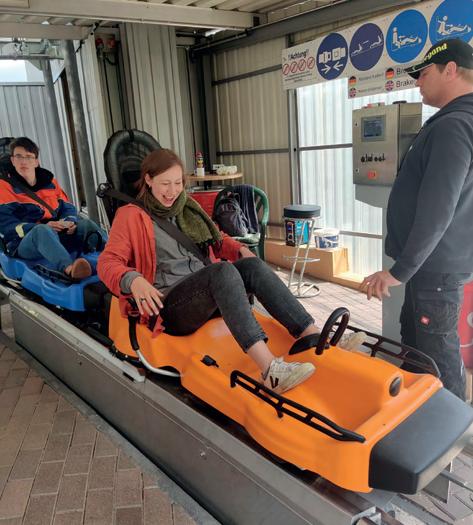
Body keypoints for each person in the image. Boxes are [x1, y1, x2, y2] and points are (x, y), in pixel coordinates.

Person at [98, 148, 320, 395]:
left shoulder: (187, 207)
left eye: (178, 183)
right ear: (148, 180)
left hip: (205, 292)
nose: (172, 191)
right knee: (222, 272)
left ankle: (310, 335)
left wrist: (240, 250)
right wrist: (133, 280)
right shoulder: (130, 216)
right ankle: (270, 371)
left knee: (252, 265)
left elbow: (217, 238)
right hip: (170, 306)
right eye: (165, 184)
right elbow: (107, 262)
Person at [361, 38, 473, 400]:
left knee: (437, 353)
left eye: (423, 74)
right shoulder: (456, 122)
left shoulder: (453, 126)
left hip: (434, 270)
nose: (418, 82)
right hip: (433, 265)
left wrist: (398, 272)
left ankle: (451, 427)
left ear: (450, 70)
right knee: (416, 345)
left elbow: (438, 208)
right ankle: (416, 412)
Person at [0, 137, 104, 280]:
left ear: (36, 161)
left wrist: (69, 222)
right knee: (41, 231)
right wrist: (42, 227)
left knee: (87, 224)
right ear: (12, 160)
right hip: (24, 242)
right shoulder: (3, 188)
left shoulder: (50, 182)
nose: (24, 161)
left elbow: (67, 207)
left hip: (57, 233)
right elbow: (7, 227)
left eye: (28, 157)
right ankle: (70, 269)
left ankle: (116, 257)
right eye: (18, 156)